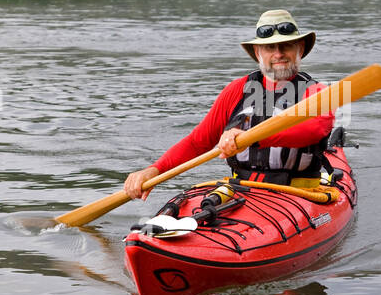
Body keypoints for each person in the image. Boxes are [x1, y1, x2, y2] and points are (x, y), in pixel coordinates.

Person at [124, 10, 336, 200]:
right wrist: (155, 170)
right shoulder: (236, 90)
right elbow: (198, 143)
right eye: (270, 47)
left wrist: (250, 138)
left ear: (299, 48)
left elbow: (313, 130)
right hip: (242, 190)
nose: (278, 54)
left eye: (286, 45)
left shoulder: (318, 92)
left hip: (300, 194)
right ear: (257, 53)